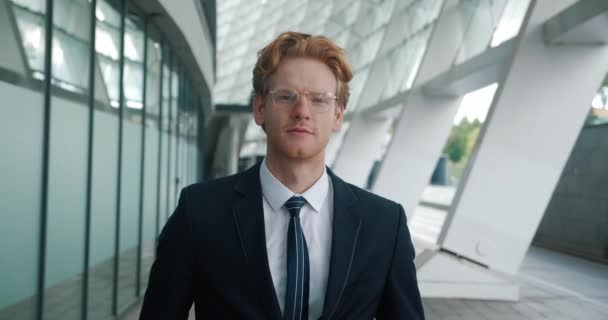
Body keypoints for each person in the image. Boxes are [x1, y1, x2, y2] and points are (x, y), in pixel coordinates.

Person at [140, 31, 424, 320]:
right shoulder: (199, 211)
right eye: (286, 96)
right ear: (260, 108)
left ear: (338, 115)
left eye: (319, 100)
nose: (302, 112)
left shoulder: (385, 225)